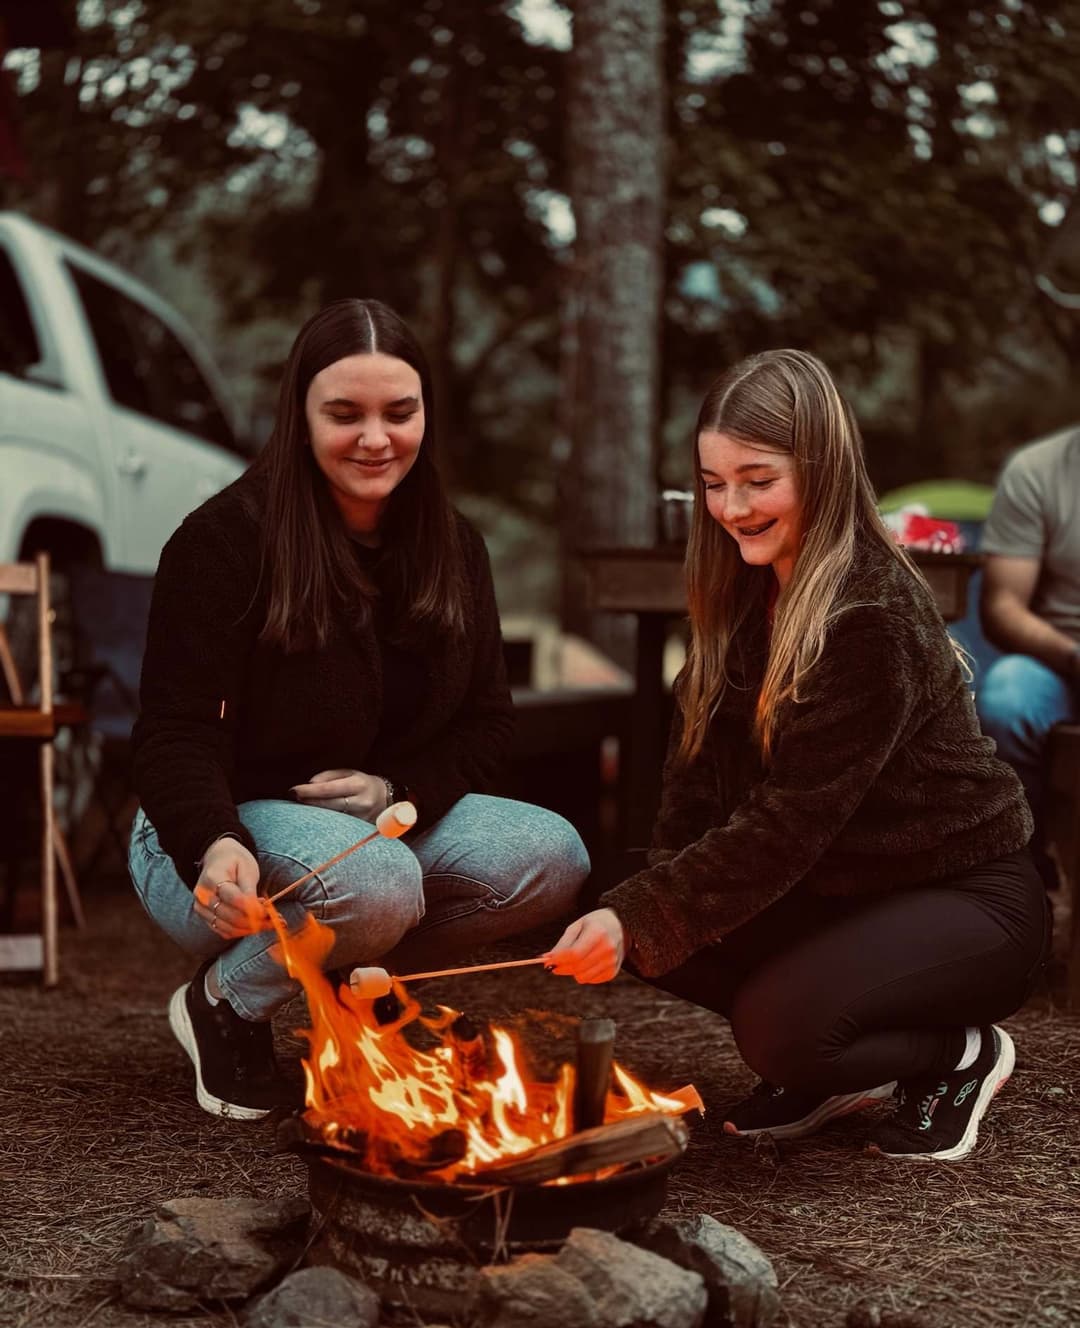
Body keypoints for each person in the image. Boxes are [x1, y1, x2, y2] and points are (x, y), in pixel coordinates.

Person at [547, 350, 1049, 1162]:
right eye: (714, 483)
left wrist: (642, 913)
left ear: (821, 469)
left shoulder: (869, 615)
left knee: (775, 1031)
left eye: (758, 481)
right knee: (639, 910)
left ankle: (956, 1052)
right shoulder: (745, 596)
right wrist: (642, 908)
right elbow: (696, 786)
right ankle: (832, 1052)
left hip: (966, 901)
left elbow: (790, 821)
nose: (732, 507)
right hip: (844, 889)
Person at [129, 298, 589, 1121]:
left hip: (375, 828)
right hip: (207, 837)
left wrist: (397, 790)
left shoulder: (455, 547)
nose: (376, 439)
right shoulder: (223, 540)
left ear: (425, 417)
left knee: (552, 854)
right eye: (345, 415)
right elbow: (174, 731)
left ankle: (358, 986)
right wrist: (213, 840)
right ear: (301, 419)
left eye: (399, 413)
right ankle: (225, 1002)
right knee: (377, 881)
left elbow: (489, 724)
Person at [975, 423, 1080, 886]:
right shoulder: (1038, 470)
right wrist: (1073, 656)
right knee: (1006, 695)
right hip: (1059, 662)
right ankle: (1024, 869)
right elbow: (1002, 607)